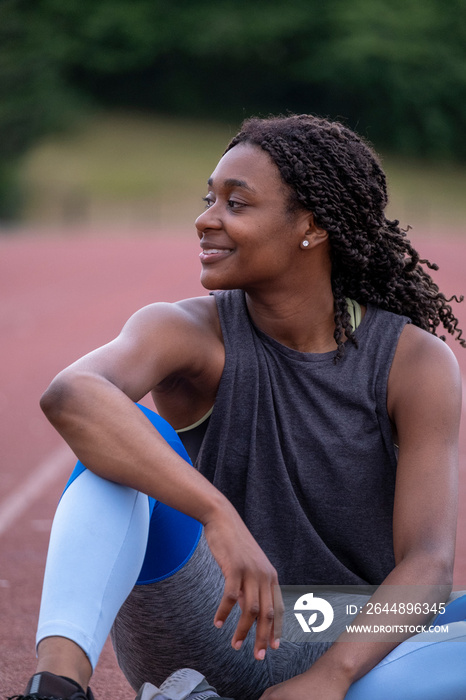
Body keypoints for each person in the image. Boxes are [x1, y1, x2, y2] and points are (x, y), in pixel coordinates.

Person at [10, 114, 466, 700]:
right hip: (216, 620)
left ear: (313, 226)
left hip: (347, 639)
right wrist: (216, 515)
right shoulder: (185, 332)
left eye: (237, 203)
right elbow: (72, 394)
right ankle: (57, 689)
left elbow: (427, 564)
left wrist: (331, 676)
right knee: (122, 444)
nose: (205, 219)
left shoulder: (414, 363)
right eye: (209, 198)